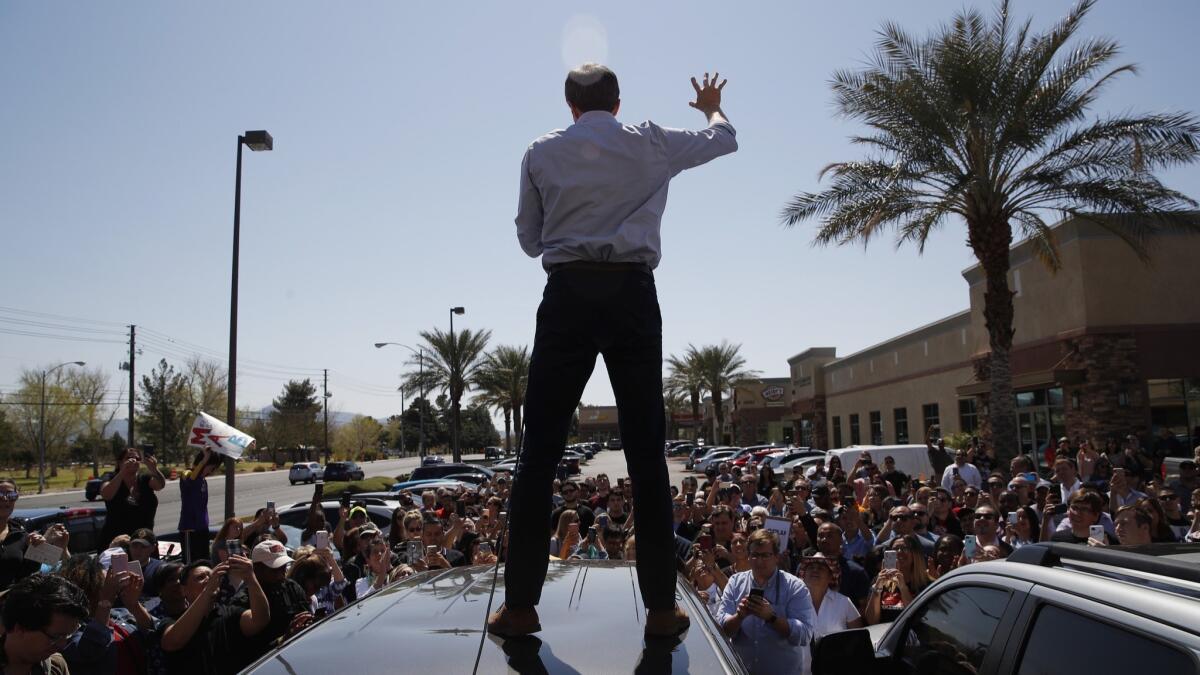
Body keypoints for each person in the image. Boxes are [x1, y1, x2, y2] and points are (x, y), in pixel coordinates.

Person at [492, 63, 737, 639]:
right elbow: (725, 138)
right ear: (618, 103)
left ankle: (522, 607)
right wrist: (709, 107)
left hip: (568, 293)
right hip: (632, 293)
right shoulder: (651, 140)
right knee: (647, 451)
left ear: (570, 106)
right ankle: (659, 610)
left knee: (539, 453)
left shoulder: (540, 151)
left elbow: (530, 242)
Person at [718, 530, 816, 675]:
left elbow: (804, 635)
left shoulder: (794, 586)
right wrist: (739, 616)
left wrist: (772, 618)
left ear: (776, 557)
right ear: (748, 556)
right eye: (755, 555)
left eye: (765, 555)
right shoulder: (735, 583)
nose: (759, 561)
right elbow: (721, 631)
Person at [160, 558, 270, 675]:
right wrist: (207, 592)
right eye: (200, 577)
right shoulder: (171, 621)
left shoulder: (230, 613)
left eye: (211, 576)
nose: (208, 579)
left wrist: (250, 578)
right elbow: (172, 642)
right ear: (184, 590)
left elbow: (260, 621)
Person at [0, 573, 90, 675]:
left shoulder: (55, 667)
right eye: (55, 637)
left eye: (67, 635)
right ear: (20, 628)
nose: (62, 645)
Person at [797, 554, 863, 675]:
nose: (815, 570)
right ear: (803, 575)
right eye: (811, 567)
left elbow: (858, 641)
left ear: (830, 577)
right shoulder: (792, 603)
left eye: (821, 568)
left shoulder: (844, 602)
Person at [99, 447, 166, 545]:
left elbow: (160, 485)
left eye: (137, 459)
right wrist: (122, 472)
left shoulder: (145, 479)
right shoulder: (110, 477)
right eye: (129, 458)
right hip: (117, 542)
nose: (134, 461)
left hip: (145, 541)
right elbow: (106, 494)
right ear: (119, 462)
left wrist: (153, 468)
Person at [864, 535, 932, 625]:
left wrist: (903, 588)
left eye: (904, 548)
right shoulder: (879, 580)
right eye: (895, 549)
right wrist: (877, 589)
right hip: (886, 635)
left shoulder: (927, 584)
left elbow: (916, 619)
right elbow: (872, 621)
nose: (899, 552)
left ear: (915, 554)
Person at [178, 448, 221, 564]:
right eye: (211, 467)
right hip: (190, 528)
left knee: (204, 561)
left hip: (202, 527)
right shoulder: (187, 473)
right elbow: (190, 480)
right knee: (190, 563)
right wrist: (204, 460)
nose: (211, 471)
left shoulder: (203, 480)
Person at [0, 478, 45, 589]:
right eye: (0, 494)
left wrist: (35, 550)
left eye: (11, 495)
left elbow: (27, 576)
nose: (5, 499)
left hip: (9, 602)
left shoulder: (21, 535)